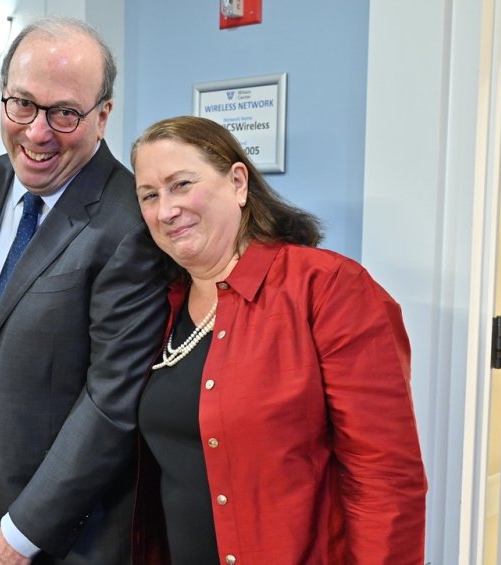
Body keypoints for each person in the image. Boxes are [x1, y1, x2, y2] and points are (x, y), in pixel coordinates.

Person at [128, 115, 428, 564]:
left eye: (181, 184)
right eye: (149, 195)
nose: (165, 210)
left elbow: (385, 478)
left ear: (237, 182)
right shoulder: (161, 306)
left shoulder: (328, 287)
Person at [0, 17, 168, 565]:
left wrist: (22, 534)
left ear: (103, 115)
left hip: (73, 533)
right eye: (22, 105)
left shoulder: (130, 217)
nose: (38, 133)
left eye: (65, 113)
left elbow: (112, 400)